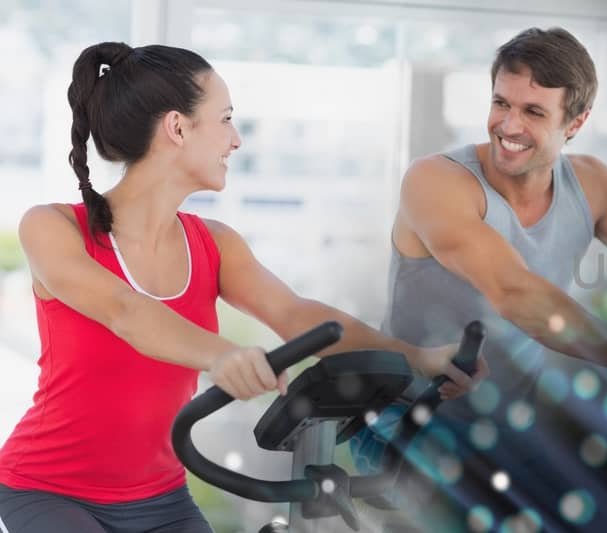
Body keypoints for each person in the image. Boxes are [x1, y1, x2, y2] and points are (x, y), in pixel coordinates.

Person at [0, 42, 485, 533]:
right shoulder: (53, 227)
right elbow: (125, 310)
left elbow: (297, 315)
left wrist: (417, 358)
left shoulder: (214, 245)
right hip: (48, 490)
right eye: (226, 118)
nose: (236, 140)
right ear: (177, 127)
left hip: (160, 499)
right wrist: (221, 355)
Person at [356, 26, 607, 528]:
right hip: (407, 425)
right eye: (501, 103)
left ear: (575, 122)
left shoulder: (592, 183)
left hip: (508, 429)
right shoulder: (438, 181)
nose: (508, 125)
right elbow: (514, 292)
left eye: (533, 112)